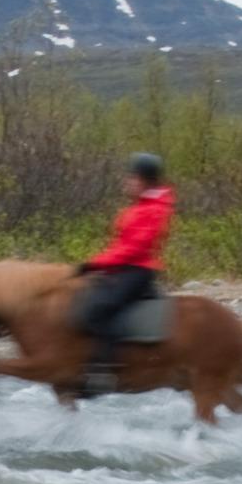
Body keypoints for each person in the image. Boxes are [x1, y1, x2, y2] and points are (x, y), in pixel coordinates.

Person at [74, 154, 175, 393]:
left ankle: (105, 368)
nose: (127, 182)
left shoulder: (154, 209)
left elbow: (134, 248)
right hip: (124, 268)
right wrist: (100, 264)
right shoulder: (141, 206)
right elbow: (120, 244)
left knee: (100, 309)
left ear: (145, 181)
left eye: (132, 178)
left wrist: (95, 264)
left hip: (138, 270)